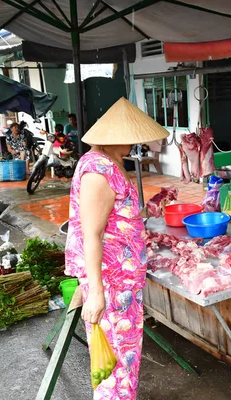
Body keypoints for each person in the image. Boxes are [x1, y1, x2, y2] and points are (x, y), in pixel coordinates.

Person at [64, 98, 169, 399]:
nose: (134, 144)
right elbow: (92, 234)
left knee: (125, 359)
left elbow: (114, 218)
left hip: (121, 281)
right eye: (130, 138)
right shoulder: (98, 172)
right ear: (114, 138)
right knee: (116, 367)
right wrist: (95, 292)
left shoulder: (110, 163)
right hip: (110, 284)